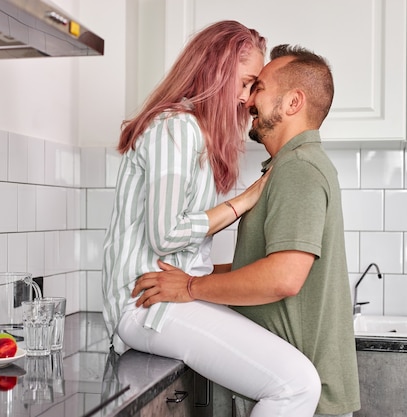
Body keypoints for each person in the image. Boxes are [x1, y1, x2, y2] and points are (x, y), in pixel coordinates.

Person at [102, 21, 321, 417]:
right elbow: (165, 233)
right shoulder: (175, 127)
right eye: (244, 83)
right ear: (213, 74)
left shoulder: (194, 134)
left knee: (292, 377)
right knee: (297, 384)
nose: (244, 100)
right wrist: (243, 201)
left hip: (165, 300)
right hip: (146, 303)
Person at [133, 44, 361, 417]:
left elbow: (282, 278)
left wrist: (191, 288)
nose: (248, 100)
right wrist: (189, 276)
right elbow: (260, 265)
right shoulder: (289, 166)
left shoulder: (298, 168)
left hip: (307, 402)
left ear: (292, 103)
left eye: (260, 87)